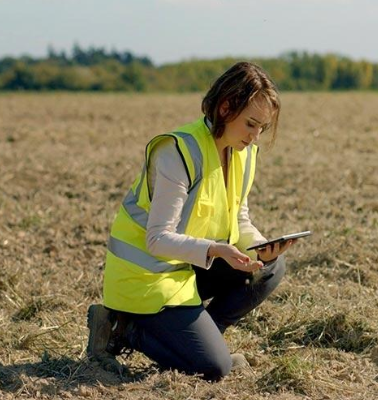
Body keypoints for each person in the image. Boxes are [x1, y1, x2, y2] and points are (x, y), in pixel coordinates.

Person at [87, 61, 295, 381]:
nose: (255, 137)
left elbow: (238, 216)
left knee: (270, 267)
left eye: (262, 128)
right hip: (147, 279)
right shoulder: (178, 151)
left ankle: (203, 341)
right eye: (251, 124)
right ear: (225, 108)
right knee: (215, 368)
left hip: (188, 266)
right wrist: (215, 250)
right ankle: (121, 328)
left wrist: (259, 247)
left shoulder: (242, 153)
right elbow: (157, 238)